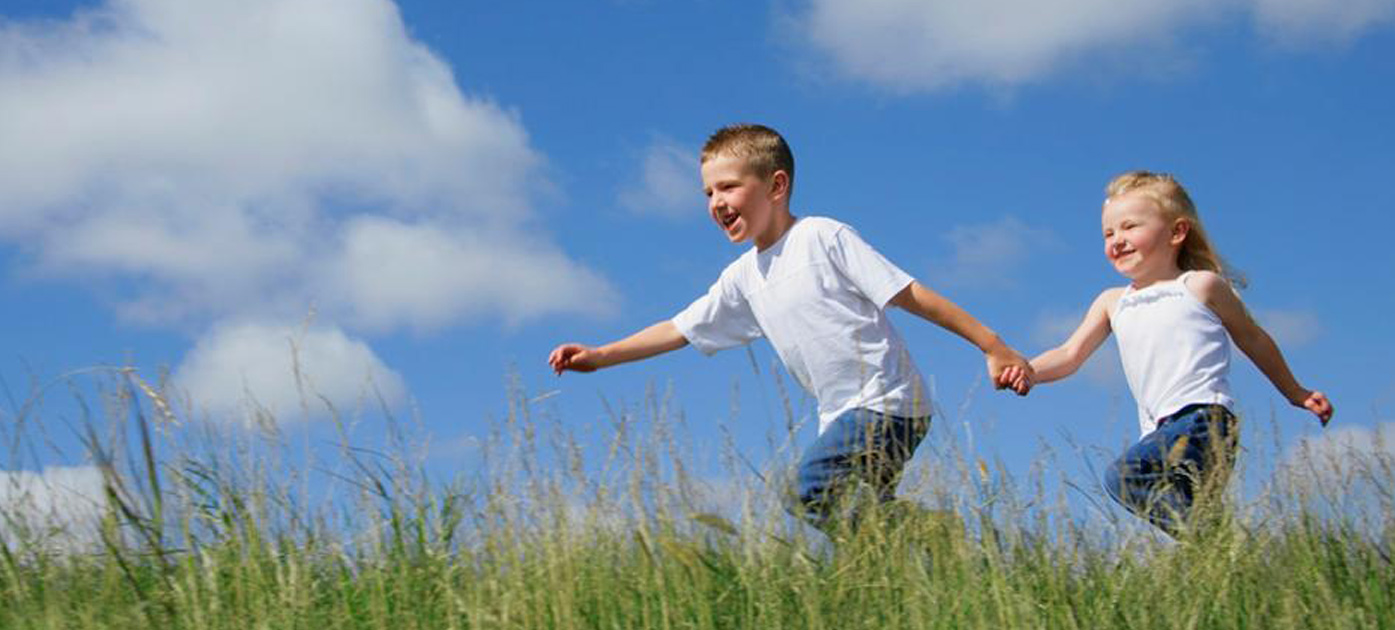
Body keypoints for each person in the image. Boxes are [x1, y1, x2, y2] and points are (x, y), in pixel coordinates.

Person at [547, 123, 1031, 533]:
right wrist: (601, 355)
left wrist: (993, 345)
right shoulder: (743, 278)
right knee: (860, 525)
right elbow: (679, 328)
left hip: (888, 405)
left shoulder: (821, 238)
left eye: (729, 187)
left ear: (776, 186)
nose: (716, 201)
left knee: (808, 490)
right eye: (708, 192)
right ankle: (928, 544)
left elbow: (909, 295)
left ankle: (926, 536)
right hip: (843, 417)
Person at [1027, 170, 1333, 537]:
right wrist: (1027, 371)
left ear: (1176, 232)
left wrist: (1295, 392)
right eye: (1109, 233)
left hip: (1204, 421)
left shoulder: (1199, 286)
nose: (1117, 240)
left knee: (1125, 477)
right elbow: (1069, 353)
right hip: (1159, 431)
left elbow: (1253, 339)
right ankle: (1230, 560)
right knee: (1192, 515)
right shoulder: (1112, 302)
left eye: (1129, 227)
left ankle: (1221, 547)